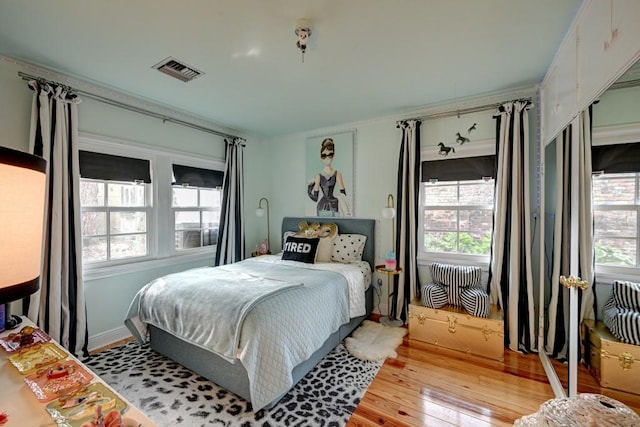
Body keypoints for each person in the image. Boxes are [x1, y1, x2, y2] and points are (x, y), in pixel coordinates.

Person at [307, 138, 352, 216]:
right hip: (322, 206)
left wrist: (341, 202)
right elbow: (315, 198)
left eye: (330, 155)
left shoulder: (337, 174)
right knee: (322, 227)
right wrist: (309, 189)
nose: (327, 158)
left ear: (333, 155)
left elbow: (343, 195)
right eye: (324, 156)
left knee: (335, 226)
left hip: (334, 205)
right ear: (321, 158)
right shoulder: (318, 176)